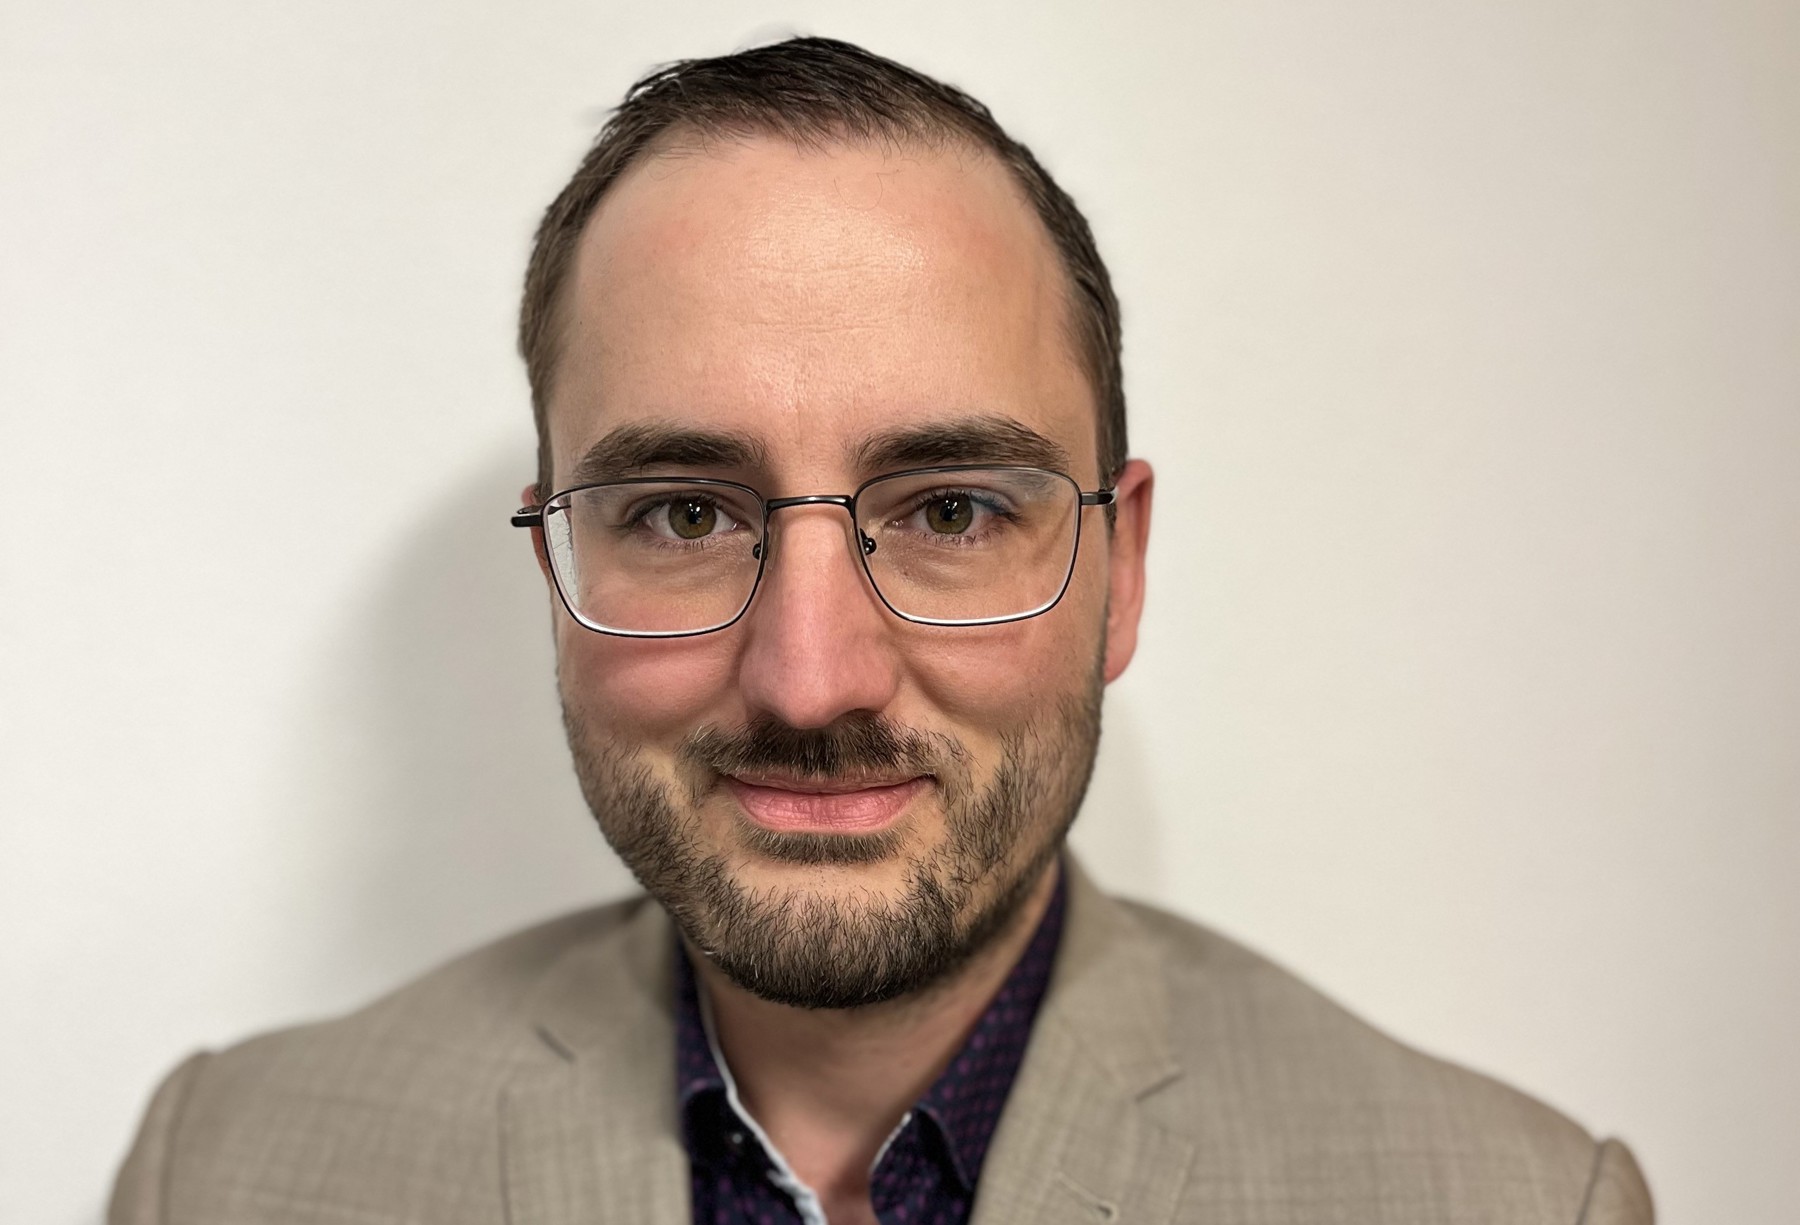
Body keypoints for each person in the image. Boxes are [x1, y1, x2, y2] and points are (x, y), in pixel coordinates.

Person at [110, 36, 1653, 1225]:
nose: (811, 678)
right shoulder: (227, 1173)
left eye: (952, 509)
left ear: (1118, 571)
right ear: (557, 566)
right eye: (685, 513)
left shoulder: (1514, 1202)